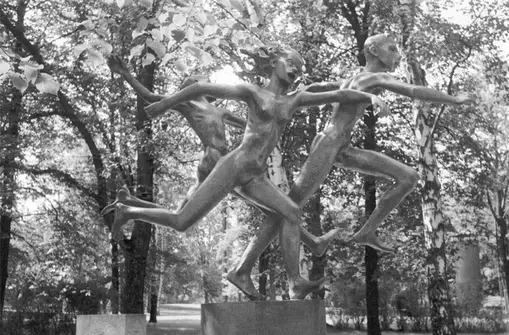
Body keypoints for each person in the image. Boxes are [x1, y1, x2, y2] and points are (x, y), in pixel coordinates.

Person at [107, 45, 387, 300]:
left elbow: (338, 94)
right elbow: (199, 88)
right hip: (234, 166)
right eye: (290, 63)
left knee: (291, 212)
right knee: (181, 221)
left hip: (256, 175)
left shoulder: (295, 99)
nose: (295, 70)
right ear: (274, 63)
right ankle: (128, 211)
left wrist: (368, 96)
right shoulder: (251, 92)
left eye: (299, 68)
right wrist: (164, 104)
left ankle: (292, 281)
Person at [229, 34, 475, 300]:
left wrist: (294, 92)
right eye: (392, 49)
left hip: (342, 148)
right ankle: (244, 270)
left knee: (408, 177)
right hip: (328, 146)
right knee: (287, 209)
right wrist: (454, 99)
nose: (397, 55)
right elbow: (414, 91)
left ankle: (366, 231)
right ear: (374, 51)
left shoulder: (356, 78)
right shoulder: (374, 78)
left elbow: (318, 87)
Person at [102, 55, 338, 257]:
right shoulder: (188, 104)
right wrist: (126, 74)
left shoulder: (220, 110)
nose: (206, 82)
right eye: (202, 80)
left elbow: (253, 122)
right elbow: (150, 96)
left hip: (225, 161)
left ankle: (132, 204)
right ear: (191, 85)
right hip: (215, 162)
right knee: (271, 209)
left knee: (183, 216)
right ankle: (312, 241)